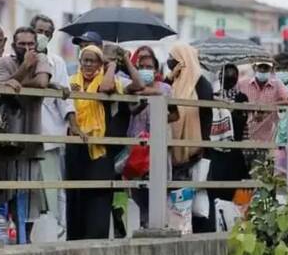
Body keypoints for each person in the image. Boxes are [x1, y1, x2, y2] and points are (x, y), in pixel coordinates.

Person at [30, 14, 84, 231]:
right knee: (27, 189)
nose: (41, 36)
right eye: (38, 31)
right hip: (23, 133)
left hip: (50, 133)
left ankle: (57, 228)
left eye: (46, 33)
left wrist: (74, 123)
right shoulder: (16, 58)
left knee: (52, 187)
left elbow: (65, 98)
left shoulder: (58, 62)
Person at [0, 26, 52, 221]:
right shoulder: (3, 62)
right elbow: (0, 88)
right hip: (6, 139)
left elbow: (42, 82)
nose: (27, 48)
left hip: (32, 136)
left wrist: (17, 82)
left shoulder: (41, 59)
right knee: (6, 192)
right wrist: (24, 69)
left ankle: (25, 239)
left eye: (30, 44)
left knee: (30, 197)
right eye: (22, 44)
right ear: (13, 45)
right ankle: (8, 235)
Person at [65, 45, 123, 240]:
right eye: (85, 60)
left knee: (98, 197)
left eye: (93, 60)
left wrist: (111, 65)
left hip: (99, 149)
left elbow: (107, 88)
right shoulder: (72, 81)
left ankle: (96, 242)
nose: (88, 64)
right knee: (76, 198)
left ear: (100, 63)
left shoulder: (106, 79)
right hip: (76, 146)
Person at [165, 43, 215, 233]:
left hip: (196, 152)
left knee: (199, 203)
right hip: (176, 152)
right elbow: (162, 96)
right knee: (178, 203)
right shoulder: (175, 83)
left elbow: (205, 118)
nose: (171, 63)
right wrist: (170, 77)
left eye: (174, 59)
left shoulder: (201, 84)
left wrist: (199, 147)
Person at [126, 53, 179, 228]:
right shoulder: (132, 87)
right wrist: (147, 97)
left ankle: (156, 223)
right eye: (141, 67)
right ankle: (141, 223)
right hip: (137, 145)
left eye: (149, 67)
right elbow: (132, 110)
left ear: (156, 69)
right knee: (138, 187)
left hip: (158, 144)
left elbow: (175, 114)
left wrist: (159, 119)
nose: (145, 70)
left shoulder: (165, 88)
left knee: (157, 184)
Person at [207, 64, 249, 202]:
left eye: (233, 75)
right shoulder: (212, 96)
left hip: (233, 150)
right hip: (215, 149)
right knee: (214, 186)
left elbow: (242, 121)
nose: (229, 77)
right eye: (226, 74)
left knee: (232, 187)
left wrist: (230, 110)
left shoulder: (242, 97)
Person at [237, 61, 288, 143]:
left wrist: (271, 105)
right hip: (245, 135)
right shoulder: (242, 83)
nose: (263, 70)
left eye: (266, 68)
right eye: (260, 67)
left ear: (270, 69)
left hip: (267, 136)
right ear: (254, 68)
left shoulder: (276, 84)